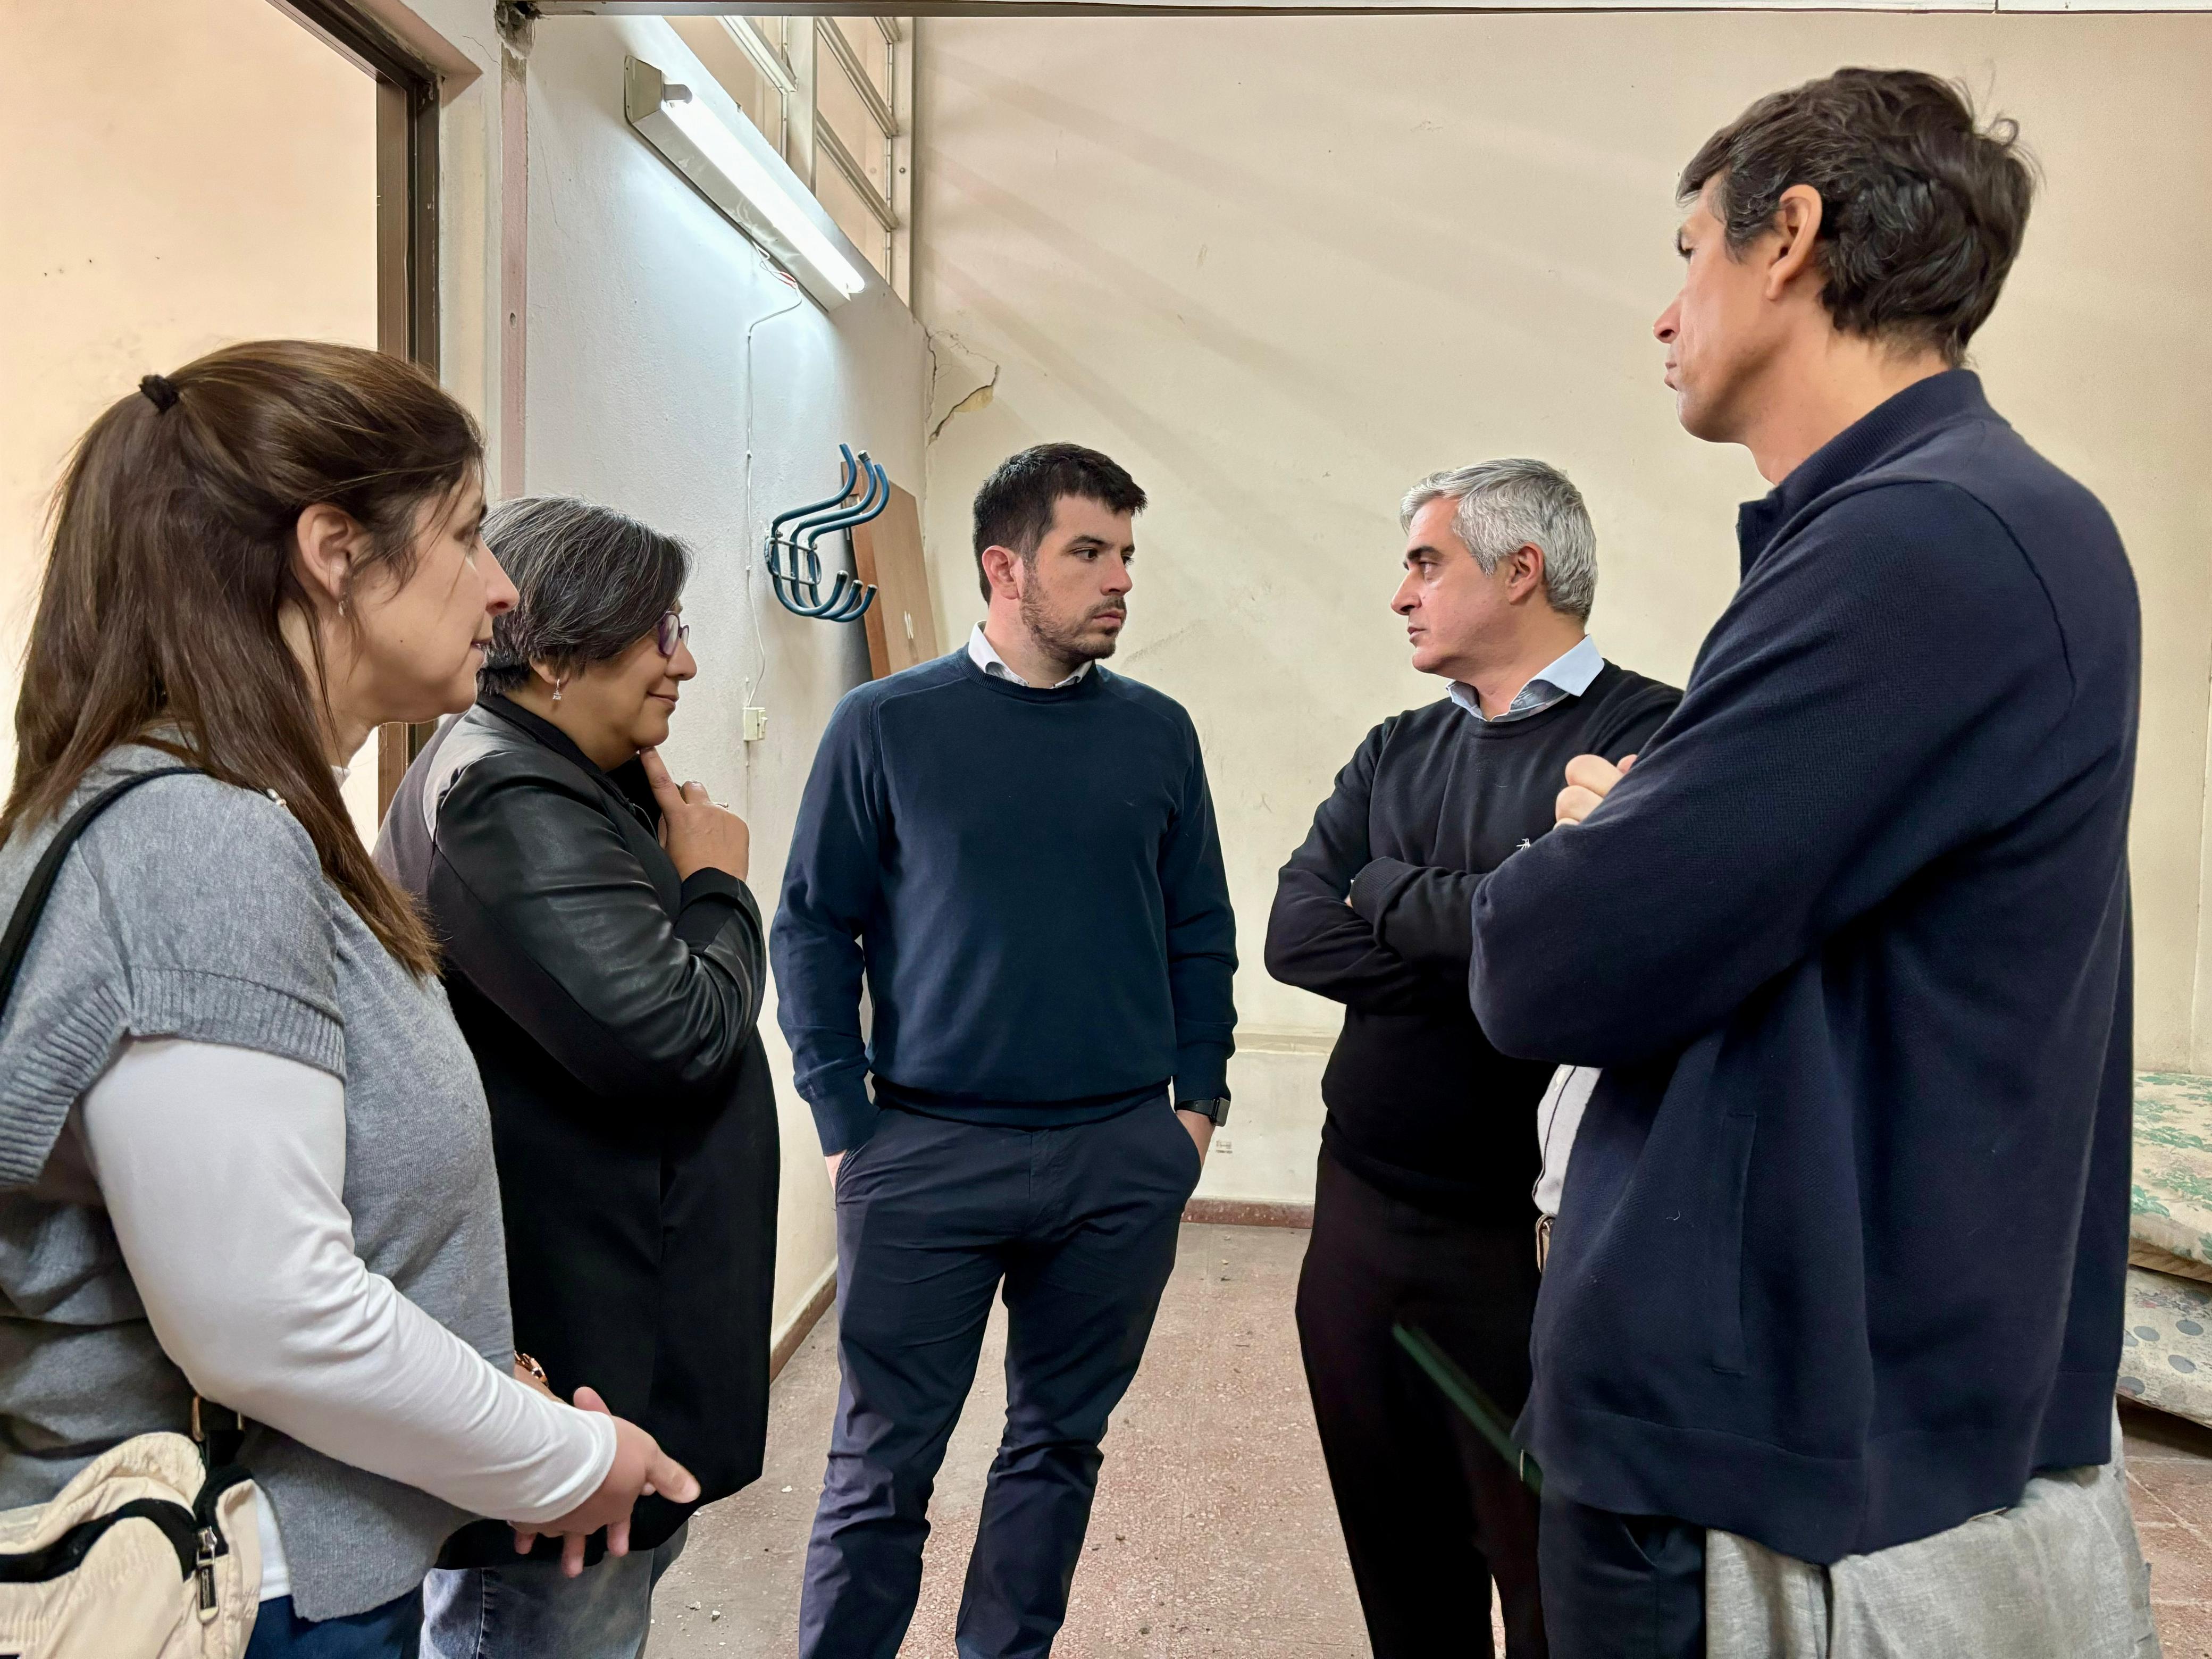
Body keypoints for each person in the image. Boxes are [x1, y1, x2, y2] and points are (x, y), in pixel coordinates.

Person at [1464, 71, 2142, 1657]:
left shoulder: (1919, 544)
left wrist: (1589, 840)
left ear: (1791, 239)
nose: (1662, 314)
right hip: (1808, 1372)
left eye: (1686, 250)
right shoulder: (1961, 525)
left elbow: (1549, 965)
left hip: (1748, 1428)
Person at [0, 342, 695, 1656]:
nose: (500, 592)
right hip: (226, 1586)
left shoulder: (236, 810)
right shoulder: (200, 836)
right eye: (470, 533)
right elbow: (267, 1320)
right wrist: (561, 1462)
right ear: (333, 550)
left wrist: (493, 1388)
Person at [773, 442, 1236, 1659]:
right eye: (1089, 552)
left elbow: (1201, 926)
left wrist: (1194, 1111)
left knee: (1056, 1446)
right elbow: (813, 925)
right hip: (926, 1149)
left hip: (1115, 1155)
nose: (1119, 580)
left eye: (1127, 554)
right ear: (1004, 566)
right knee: (884, 1463)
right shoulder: (887, 725)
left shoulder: (1157, 735)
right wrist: (842, 1126)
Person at [1266, 459, 1679, 1659]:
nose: (1399, 594)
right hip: (1357, 1222)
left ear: (1519, 569)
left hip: (1530, 1247)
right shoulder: (1395, 747)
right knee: (1398, 1566)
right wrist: (1498, 925)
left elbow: (1591, 962)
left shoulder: (1653, 733)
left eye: (1424, 562)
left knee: (1551, 1574)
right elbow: (1296, 935)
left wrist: (1389, 895)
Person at [375, 496, 777, 1659]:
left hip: (615, 1313)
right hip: (581, 1336)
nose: (686, 662)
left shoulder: (566, 777)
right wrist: (717, 885)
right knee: (548, 1624)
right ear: (555, 652)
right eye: (660, 632)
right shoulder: (508, 792)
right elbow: (676, 1036)